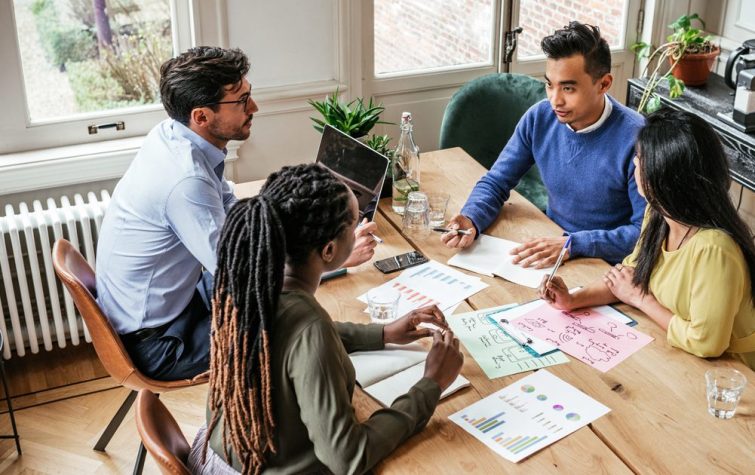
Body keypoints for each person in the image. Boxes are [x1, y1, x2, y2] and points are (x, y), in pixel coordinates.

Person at [95, 47, 377, 381]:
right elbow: (243, 273)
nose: (254, 108)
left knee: (285, 286)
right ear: (201, 116)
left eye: (249, 95)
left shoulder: (173, 135)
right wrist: (333, 259)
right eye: (241, 101)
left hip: (176, 304)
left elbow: (236, 216)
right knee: (295, 326)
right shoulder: (186, 182)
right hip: (163, 343)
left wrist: (309, 210)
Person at [188, 163, 464, 475]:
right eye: (355, 220)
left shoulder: (252, 283)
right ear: (329, 250)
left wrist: (384, 333)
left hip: (217, 457)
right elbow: (349, 458)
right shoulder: (310, 327)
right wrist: (431, 384)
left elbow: (296, 338)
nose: (362, 223)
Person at [540, 109, 755, 369]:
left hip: (729, 375)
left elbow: (706, 343)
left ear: (664, 174)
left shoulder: (713, 249)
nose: (634, 164)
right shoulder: (658, 214)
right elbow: (628, 278)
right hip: (676, 354)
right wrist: (572, 300)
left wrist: (640, 299)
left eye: (640, 158)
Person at [442, 22, 646, 268]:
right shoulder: (540, 117)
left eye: (568, 88)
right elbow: (496, 181)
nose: (555, 100)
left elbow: (645, 234)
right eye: (550, 84)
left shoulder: (638, 139)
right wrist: (471, 218)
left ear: (603, 84)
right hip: (551, 246)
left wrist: (573, 244)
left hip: (609, 264)